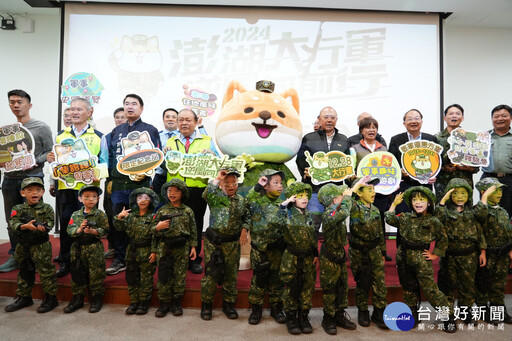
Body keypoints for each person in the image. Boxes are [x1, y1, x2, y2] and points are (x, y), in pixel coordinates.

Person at [47, 98, 107, 278]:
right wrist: (52, 161)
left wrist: (99, 172)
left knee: (88, 226)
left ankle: (86, 262)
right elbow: (56, 162)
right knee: (67, 224)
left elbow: (104, 162)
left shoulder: (98, 136)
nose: (74, 112)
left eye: (79, 109)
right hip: (66, 187)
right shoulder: (60, 135)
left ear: (89, 112)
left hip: (88, 191)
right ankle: (65, 261)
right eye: (72, 109)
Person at [386, 187, 457, 333]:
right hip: (404, 258)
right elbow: (389, 218)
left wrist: (435, 254)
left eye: (422, 200)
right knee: (408, 288)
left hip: (422, 260)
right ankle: (413, 314)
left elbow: (443, 239)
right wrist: (394, 204)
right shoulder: (405, 217)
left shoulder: (433, 221)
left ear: (429, 203)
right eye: (414, 200)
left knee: (431, 290)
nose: (418, 203)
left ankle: (448, 316)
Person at [0, 90, 53, 273]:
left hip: (32, 178)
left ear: (29, 105)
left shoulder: (41, 127)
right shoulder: (8, 131)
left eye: (20, 102)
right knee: (12, 219)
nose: (16, 105)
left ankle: (38, 256)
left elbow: (50, 152)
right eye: (12, 102)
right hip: (9, 180)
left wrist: (33, 161)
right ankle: (16, 255)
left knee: (36, 218)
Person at [107, 94, 161, 276]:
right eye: (126, 104)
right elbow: (110, 158)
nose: (130, 107)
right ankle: (120, 258)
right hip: (119, 186)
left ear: (141, 108)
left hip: (141, 184)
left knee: (142, 220)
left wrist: (146, 173)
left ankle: (143, 257)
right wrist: (109, 179)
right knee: (120, 221)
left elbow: (157, 157)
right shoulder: (116, 131)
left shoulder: (150, 130)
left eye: (134, 104)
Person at [165, 108, 219, 274]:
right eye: (181, 120)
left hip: (197, 189)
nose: (184, 123)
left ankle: (194, 259)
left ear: (196, 122)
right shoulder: (171, 142)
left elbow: (217, 163)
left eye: (188, 120)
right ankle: (176, 257)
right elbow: (164, 166)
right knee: (174, 224)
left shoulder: (207, 140)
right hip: (175, 190)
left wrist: (212, 155)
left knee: (195, 224)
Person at [4, 177, 58, 313]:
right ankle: (24, 297)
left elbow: (50, 223)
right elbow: (12, 223)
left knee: (46, 271)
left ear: (43, 192)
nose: (34, 193)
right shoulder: (18, 208)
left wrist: (43, 228)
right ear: (22, 193)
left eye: (38, 190)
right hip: (23, 246)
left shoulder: (47, 208)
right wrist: (24, 226)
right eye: (30, 190)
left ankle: (51, 298)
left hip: (41, 245)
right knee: (24, 271)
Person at [435, 178, 485, 325]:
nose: (460, 196)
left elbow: (480, 232)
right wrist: (443, 200)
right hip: (450, 256)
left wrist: (482, 251)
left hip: (469, 255)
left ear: (469, 195)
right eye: (455, 193)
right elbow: (436, 219)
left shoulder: (472, 212)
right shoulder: (445, 212)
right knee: (447, 286)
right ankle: (447, 316)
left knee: (467, 286)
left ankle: (465, 312)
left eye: (463, 193)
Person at [318, 181, 365, 334]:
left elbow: (343, 206)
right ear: (333, 200)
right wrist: (348, 197)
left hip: (339, 254)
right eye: (340, 195)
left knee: (342, 286)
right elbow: (344, 212)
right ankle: (328, 317)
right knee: (330, 288)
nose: (343, 196)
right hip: (329, 256)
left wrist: (357, 186)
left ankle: (339, 314)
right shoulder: (329, 214)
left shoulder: (335, 210)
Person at [200, 168, 247, 320]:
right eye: (227, 183)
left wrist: (245, 228)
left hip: (232, 244)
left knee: (231, 275)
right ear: (220, 185)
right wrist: (217, 178)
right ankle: (206, 305)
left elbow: (247, 216)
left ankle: (229, 305)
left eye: (234, 182)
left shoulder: (241, 200)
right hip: (214, 243)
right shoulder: (215, 197)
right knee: (211, 275)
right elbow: (206, 194)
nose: (231, 185)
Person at [296, 106, 349, 231]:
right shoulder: (309, 137)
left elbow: (348, 162)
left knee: (333, 226)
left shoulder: (343, 139)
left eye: (332, 117)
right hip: (315, 190)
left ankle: (330, 251)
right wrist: (306, 171)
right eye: (325, 117)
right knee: (312, 225)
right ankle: (311, 251)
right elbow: (300, 159)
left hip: (335, 192)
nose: (329, 120)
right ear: (319, 119)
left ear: (337, 120)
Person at [275, 182, 317, 334]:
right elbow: (274, 220)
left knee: (307, 287)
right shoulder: (287, 213)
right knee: (291, 287)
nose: (304, 198)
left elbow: (313, 236)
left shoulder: (309, 215)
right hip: (292, 257)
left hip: (308, 257)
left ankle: (303, 317)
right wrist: (285, 203)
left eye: (306, 195)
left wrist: (315, 253)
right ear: (293, 198)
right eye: (300, 196)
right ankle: (291, 317)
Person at [245, 169, 286, 325]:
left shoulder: (283, 203)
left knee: (277, 280)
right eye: (275, 183)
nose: (280, 186)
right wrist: (257, 187)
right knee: (259, 280)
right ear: (266, 185)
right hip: (260, 250)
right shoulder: (256, 201)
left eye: (281, 183)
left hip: (278, 250)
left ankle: (277, 308)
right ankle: (256, 309)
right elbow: (247, 201)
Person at [153, 178, 197, 318]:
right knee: (164, 276)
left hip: (182, 248)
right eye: (169, 190)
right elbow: (153, 232)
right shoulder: (162, 210)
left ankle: (176, 302)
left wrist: (193, 247)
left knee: (179, 276)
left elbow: (193, 230)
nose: (172, 193)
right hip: (164, 247)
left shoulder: (188, 211)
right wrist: (154, 249)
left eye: (176, 191)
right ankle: (164, 303)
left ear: (182, 193)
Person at [348, 177, 388, 329]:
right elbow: (347, 200)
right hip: (359, 251)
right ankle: (363, 310)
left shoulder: (376, 210)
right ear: (359, 192)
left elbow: (380, 232)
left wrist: (383, 252)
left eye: (374, 189)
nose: (374, 192)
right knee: (362, 282)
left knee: (380, 283)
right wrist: (356, 186)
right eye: (369, 189)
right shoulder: (353, 206)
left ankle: (379, 311)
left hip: (375, 250)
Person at [351, 117, 392, 261]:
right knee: (361, 221)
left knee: (379, 220)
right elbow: (351, 170)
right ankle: (361, 250)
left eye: (374, 127)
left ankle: (382, 250)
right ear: (361, 131)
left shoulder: (383, 149)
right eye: (368, 127)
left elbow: (390, 169)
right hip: (362, 192)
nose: (371, 130)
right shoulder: (354, 149)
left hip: (380, 192)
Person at [64, 185, 109, 313]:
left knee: (97, 273)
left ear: (98, 199)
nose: (91, 199)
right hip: (78, 248)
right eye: (87, 197)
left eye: (94, 197)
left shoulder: (100, 214)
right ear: (80, 199)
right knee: (77, 273)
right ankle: (78, 298)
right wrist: (79, 229)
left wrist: (93, 231)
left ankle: (96, 298)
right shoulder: (75, 214)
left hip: (94, 247)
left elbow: (105, 230)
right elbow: (69, 229)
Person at [114, 188, 159, 315]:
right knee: (132, 277)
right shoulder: (131, 216)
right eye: (139, 198)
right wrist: (119, 217)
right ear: (135, 200)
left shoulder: (154, 217)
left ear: (151, 200)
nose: (142, 200)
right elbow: (118, 228)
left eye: (146, 198)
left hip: (147, 250)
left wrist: (154, 251)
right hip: (132, 251)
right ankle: (133, 301)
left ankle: (144, 302)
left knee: (146, 278)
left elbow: (156, 236)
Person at [474, 177, 512, 325]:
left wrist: (510, 251)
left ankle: (499, 311)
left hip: (502, 254)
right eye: (495, 190)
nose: (499, 193)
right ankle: (483, 310)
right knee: (484, 283)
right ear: (484, 192)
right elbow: (479, 227)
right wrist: (482, 251)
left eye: (501, 190)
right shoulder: (481, 210)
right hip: (488, 253)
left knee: (499, 283)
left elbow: (509, 232)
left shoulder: (502, 211)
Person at [434, 104, 478, 202]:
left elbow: (477, 166)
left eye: (457, 114)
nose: (454, 116)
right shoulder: (436, 138)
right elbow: (432, 164)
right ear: (445, 118)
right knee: (442, 212)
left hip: (464, 185)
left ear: (462, 118)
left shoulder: (470, 138)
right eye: (451, 114)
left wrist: (469, 167)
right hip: (443, 185)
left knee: (465, 215)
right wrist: (443, 168)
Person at [104, 107, 127, 259]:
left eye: (122, 117)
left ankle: (129, 248)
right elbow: (104, 159)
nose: (120, 119)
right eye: (117, 117)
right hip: (111, 181)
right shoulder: (108, 137)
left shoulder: (135, 136)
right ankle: (113, 246)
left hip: (131, 182)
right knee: (112, 214)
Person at [481, 105, 512, 218]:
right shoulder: (483, 137)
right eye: (496, 116)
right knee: (486, 212)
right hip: (488, 178)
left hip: (509, 179)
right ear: (492, 119)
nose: (500, 119)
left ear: (511, 118)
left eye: (504, 116)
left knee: (507, 212)